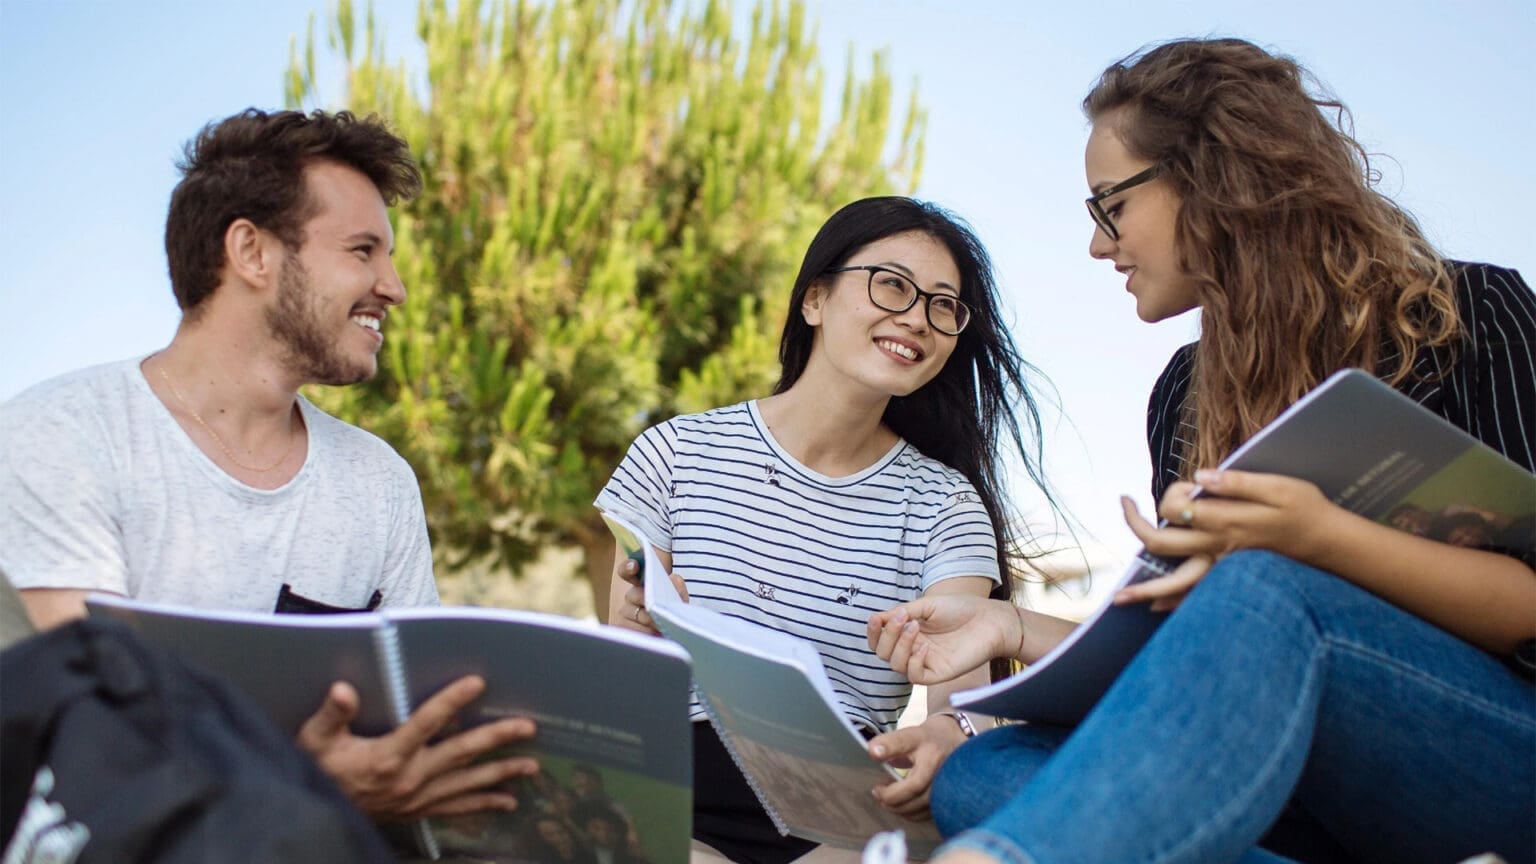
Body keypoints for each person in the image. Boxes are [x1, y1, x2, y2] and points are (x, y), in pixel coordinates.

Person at [868, 38, 1536, 864]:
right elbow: (1187, 669)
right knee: (984, 771)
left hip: (1488, 757)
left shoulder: (1465, 312)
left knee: (1262, 587)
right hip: (1300, 782)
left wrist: (1317, 540)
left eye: (1109, 206)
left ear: (1214, 179)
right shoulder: (1183, 394)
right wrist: (1006, 626)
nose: (1098, 244)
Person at [0, 108, 539, 823]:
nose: (395, 286)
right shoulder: (59, 436)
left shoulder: (379, 483)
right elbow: (77, 748)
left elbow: (415, 731)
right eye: (362, 250)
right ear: (251, 251)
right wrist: (303, 787)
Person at [596, 196, 1060, 863]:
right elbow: (630, 667)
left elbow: (962, 706)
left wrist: (951, 735)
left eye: (941, 305)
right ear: (814, 298)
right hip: (674, 793)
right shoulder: (675, 452)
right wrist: (645, 623)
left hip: (842, 823)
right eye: (893, 285)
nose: (917, 319)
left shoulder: (946, 504)